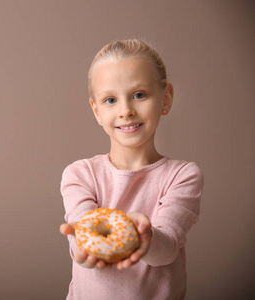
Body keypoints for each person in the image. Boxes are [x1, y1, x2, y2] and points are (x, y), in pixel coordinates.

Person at [59, 39, 204, 300]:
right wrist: (85, 251)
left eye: (139, 95)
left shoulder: (182, 176)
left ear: (166, 98)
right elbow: (84, 235)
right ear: (97, 111)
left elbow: (167, 248)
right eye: (110, 99)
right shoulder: (79, 175)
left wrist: (146, 238)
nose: (125, 110)